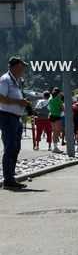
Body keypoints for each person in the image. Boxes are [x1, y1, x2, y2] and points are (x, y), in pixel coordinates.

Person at [0, 57, 32, 188]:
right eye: (22, 66)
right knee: (10, 147)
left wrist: (23, 102)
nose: (23, 69)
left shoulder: (15, 81)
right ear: (16, 66)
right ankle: (8, 178)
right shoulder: (5, 79)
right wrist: (19, 102)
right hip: (8, 117)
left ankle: (11, 177)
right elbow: (1, 98)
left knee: (15, 148)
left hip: (15, 118)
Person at [48, 87, 64, 153]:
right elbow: (62, 108)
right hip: (57, 115)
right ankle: (55, 147)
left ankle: (54, 146)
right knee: (57, 132)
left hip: (52, 115)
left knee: (54, 132)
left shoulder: (50, 99)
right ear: (58, 93)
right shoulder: (58, 100)